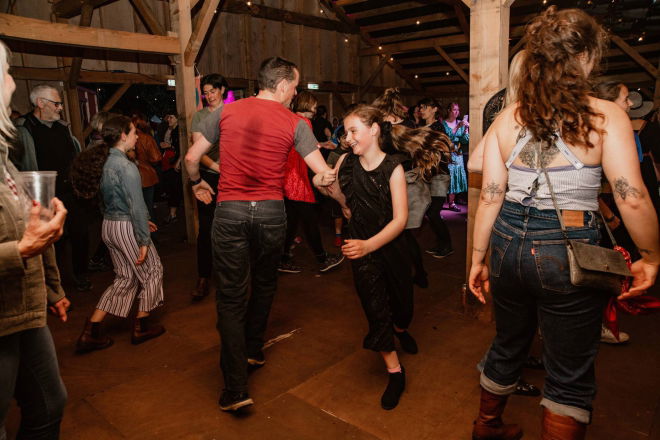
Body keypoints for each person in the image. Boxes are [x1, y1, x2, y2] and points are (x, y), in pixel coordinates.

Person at [468, 7, 659, 439]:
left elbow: (491, 197)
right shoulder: (604, 115)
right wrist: (651, 256)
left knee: (508, 342)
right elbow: (631, 197)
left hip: (505, 243)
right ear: (587, 56)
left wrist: (478, 260)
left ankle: (486, 427)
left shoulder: (508, 116)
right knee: (569, 373)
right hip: (566, 248)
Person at [185, 56, 336, 411]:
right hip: (270, 212)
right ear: (282, 86)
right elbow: (321, 174)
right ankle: (253, 348)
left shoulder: (226, 113)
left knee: (231, 297)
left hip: (231, 211)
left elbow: (192, 158)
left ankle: (236, 389)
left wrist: (196, 184)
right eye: (295, 87)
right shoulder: (296, 122)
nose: (296, 93)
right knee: (265, 283)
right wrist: (331, 180)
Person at [315, 104, 449, 410]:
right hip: (360, 247)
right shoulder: (346, 161)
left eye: (353, 131)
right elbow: (339, 197)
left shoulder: (394, 168)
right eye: (346, 131)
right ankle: (395, 372)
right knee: (376, 310)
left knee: (402, 307)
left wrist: (370, 245)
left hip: (391, 246)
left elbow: (400, 220)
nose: (348, 137)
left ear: (374, 129)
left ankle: (401, 329)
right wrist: (321, 184)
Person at [0, 41, 70, 439]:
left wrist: (52, 289)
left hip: (26, 306)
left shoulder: (2, 159)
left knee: (49, 403)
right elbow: (22, 240)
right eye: (7, 72)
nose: (13, 82)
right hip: (2, 313)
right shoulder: (24, 136)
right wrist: (21, 250)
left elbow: (26, 221)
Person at [75, 116, 165, 353]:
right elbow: (136, 205)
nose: (137, 136)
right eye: (134, 132)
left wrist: (140, 222)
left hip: (109, 226)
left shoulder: (104, 162)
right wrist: (143, 238)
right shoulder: (126, 166)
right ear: (123, 136)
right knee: (153, 271)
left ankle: (91, 331)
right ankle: (141, 326)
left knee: (125, 277)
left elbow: (109, 201)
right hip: (126, 227)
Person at [14, 84, 91, 292]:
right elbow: (20, 167)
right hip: (44, 197)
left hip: (70, 193)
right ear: (40, 103)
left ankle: (80, 274)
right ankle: (54, 284)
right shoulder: (24, 129)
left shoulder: (63, 127)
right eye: (56, 104)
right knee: (52, 243)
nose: (60, 108)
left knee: (81, 234)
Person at [279, 90, 344, 274]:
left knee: (292, 222)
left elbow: (300, 147)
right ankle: (322, 259)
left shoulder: (291, 119)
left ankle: (282, 258)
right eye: (314, 104)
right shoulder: (305, 122)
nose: (316, 108)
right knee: (309, 221)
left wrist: (321, 145)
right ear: (308, 104)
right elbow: (307, 150)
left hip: (288, 177)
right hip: (298, 180)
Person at [372, 88, 431, 287]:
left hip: (397, 182)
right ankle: (418, 274)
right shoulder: (408, 125)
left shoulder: (383, 129)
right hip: (407, 181)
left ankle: (406, 275)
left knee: (397, 232)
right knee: (402, 232)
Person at [190, 73, 228, 300]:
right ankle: (203, 277)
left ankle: (228, 276)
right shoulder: (200, 117)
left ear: (222, 90)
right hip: (208, 178)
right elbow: (197, 151)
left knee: (231, 228)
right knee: (206, 229)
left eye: (212, 91)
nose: (209, 96)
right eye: (205, 93)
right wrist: (219, 168)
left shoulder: (232, 112)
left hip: (233, 179)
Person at [417, 97, 453, 258]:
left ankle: (447, 246)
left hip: (439, 175)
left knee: (433, 213)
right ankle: (441, 244)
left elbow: (443, 151)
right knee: (430, 213)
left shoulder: (438, 127)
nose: (421, 110)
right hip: (427, 176)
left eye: (424, 107)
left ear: (434, 109)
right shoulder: (422, 126)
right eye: (420, 107)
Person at [132, 114, 162, 223]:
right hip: (146, 177)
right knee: (148, 207)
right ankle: (151, 231)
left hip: (131, 177)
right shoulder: (146, 138)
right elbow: (156, 158)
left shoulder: (126, 137)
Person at [441, 102, 469, 212]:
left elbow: (465, 141)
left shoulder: (460, 123)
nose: (457, 112)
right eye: (454, 109)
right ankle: (441, 201)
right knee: (449, 177)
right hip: (447, 152)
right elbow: (447, 137)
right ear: (449, 110)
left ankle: (452, 203)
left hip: (458, 153)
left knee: (456, 177)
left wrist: (466, 130)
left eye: (458, 110)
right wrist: (457, 127)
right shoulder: (443, 124)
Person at [157, 114, 181, 224]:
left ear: (178, 119)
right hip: (167, 161)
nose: (169, 119)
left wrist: (169, 147)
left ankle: (173, 214)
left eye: (172, 117)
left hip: (174, 162)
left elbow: (180, 148)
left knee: (174, 188)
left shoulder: (179, 131)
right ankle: (172, 213)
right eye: (168, 117)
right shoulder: (167, 129)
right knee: (169, 187)